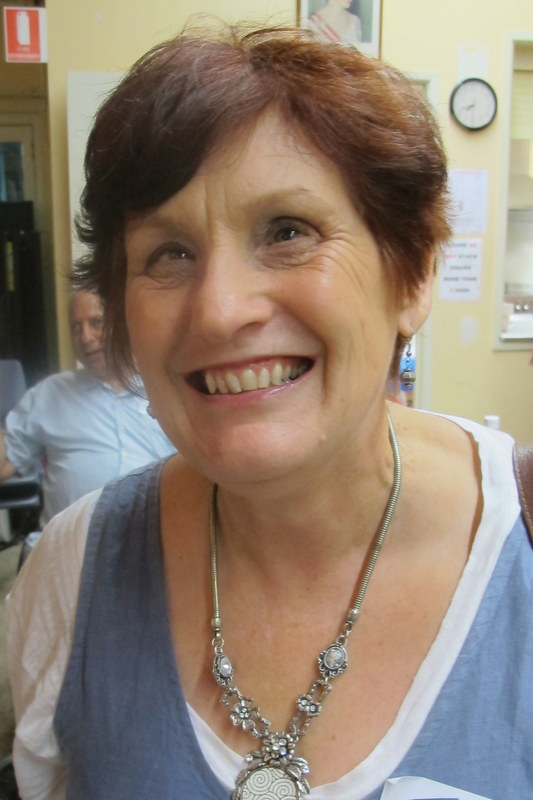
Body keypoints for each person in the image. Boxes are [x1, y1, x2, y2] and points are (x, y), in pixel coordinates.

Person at [6, 23, 532, 800]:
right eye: (167, 253)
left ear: (413, 274)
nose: (218, 311)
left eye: (288, 232)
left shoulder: (517, 544)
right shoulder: (74, 570)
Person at [0, 290, 174, 527]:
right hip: (65, 555)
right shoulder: (50, 394)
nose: (85, 337)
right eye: (75, 327)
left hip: (150, 549)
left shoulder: (166, 389)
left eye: (96, 322)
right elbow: (5, 463)